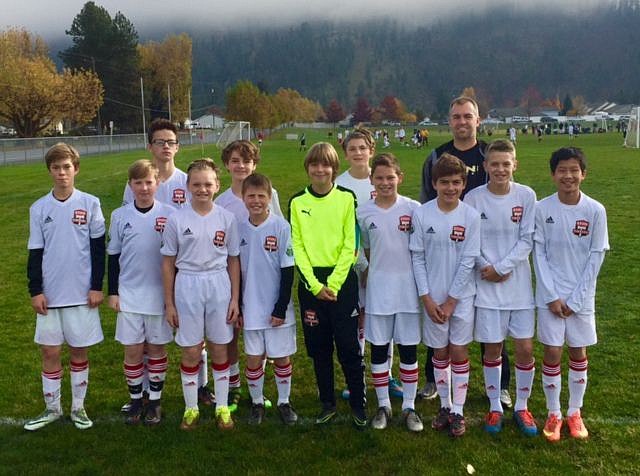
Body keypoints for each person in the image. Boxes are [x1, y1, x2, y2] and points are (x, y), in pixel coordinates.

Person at [418, 96, 512, 407]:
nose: (462, 122)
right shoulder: (436, 155)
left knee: (492, 321)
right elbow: (426, 201)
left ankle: (501, 384)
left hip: (487, 255)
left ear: (478, 119)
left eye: (467, 116)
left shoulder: (489, 154)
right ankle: (434, 380)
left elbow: (503, 201)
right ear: (450, 121)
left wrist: (496, 259)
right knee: (439, 321)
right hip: (446, 246)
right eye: (456, 117)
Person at [122, 119, 215, 410]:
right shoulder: (140, 179)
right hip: (146, 269)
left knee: (194, 333)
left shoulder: (185, 182)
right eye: (160, 142)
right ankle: (148, 393)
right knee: (150, 336)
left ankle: (201, 386)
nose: (166, 147)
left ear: (178, 146)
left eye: (171, 142)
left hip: (184, 268)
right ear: (150, 146)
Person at [24, 143, 105, 431]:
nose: (61, 173)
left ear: (76, 169)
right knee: (49, 352)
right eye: (56, 168)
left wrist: (97, 287)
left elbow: (98, 251)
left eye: (66, 167)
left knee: (79, 353)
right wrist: (36, 290)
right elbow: (35, 252)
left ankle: (78, 408)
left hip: (82, 294)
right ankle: (52, 409)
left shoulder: (90, 203)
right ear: (49, 171)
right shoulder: (39, 208)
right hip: (50, 293)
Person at [289, 142, 367, 427]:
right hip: (311, 287)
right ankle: (327, 403)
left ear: (334, 169)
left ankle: (358, 404)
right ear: (308, 167)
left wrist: (333, 283)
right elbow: (297, 247)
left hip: (342, 283)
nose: (320, 170)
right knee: (320, 350)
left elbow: (351, 245)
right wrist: (314, 285)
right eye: (315, 164)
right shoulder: (298, 202)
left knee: (348, 347)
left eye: (326, 165)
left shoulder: (346, 198)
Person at [533, 147, 609, 442]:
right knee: (552, 351)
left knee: (578, 350)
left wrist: (576, 299)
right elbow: (538, 253)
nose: (568, 175)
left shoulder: (595, 210)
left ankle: (574, 412)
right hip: (549, 296)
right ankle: (554, 413)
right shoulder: (542, 208)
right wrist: (551, 295)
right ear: (553, 175)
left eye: (574, 170)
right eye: (562, 170)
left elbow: (596, 257)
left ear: (583, 174)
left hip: (582, 296)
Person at [463, 140, 538, 436]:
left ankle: (521, 406)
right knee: (493, 348)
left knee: (525, 347)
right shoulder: (473, 198)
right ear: (485, 167)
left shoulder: (527, 196)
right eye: (494, 164)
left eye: (506, 163)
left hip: (518, 287)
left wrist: (502, 268)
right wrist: (487, 267)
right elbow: (471, 241)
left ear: (515, 165)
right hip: (486, 285)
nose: (500, 169)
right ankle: (495, 406)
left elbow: (527, 239)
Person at [161, 158, 240, 430]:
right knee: (191, 350)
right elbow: (168, 263)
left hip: (219, 285)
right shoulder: (176, 218)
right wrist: (169, 303)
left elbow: (233, 260)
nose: (202, 189)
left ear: (217, 185)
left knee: (220, 348)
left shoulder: (227, 218)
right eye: (197, 184)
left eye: (208, 184)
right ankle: (191, 407)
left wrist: (234, 299)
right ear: (188, 186)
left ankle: (221, 407)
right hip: (188, 285)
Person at [410, 154, 480, 438]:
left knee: (459, 350)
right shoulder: (422, 213)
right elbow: (417, 258)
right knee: (439, 352)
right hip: (432, 299)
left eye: (455, 182)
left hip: (461, 298)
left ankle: (459, 410)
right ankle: (445, 405)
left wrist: (452, 300)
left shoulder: (471, 216)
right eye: (444, 182)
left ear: (463, 184)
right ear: (434, 183)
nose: (450, 188)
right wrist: (427, 298)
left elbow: (469, 260)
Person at [215, 139, 283, 410]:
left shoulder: (269, 193)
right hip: (229, 276)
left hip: (261, 276)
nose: (240, 165)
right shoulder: (221, 201)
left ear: (254, 164)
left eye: (246, 160)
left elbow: (277, 230)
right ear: (226, 165)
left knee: (260, 331)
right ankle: (232, 387)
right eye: (235, 160)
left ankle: (258, 387)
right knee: (229, 334)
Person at [336, 128, 403, 401]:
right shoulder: (340, 184)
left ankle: (386, 375)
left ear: (371, 150)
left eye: (362, 147)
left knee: (384, 317)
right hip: (355, 265)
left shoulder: (382, 179)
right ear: (345, 153)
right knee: (359, 322)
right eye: (352, 148)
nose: (357, 153)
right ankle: (357, 378)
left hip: (385, 265)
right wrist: (363, 266)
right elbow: (346, 232)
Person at [358, 153, 422, 432]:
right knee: (379, 348)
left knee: (408, 349)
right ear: (372, 180)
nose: (385, 182)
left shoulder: (414, 209)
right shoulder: (363, 212)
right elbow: (366, 248)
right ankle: (383, 404)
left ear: (400, 177)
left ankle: (409, 406)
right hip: (379, 290)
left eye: (390, 177)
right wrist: (368, 272)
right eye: (380, 178)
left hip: (408, 290)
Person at [107, 160, 174, 426]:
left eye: (149, 182)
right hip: (129, 295)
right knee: (133, 350)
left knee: (156, 349)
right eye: (138, 183)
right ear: (130, 185)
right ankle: (136, 400)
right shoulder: (119, 216)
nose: (144, 188)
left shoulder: (169, 214)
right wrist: (113, 292)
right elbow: (113, 256)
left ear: (157, 183)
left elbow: (174, 259)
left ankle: (155, 401)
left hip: (159, 295)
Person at [238, 173, 298, 426]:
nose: (256, 201)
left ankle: (284, 401)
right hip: (249, 307)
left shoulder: (282, 227)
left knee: (281, 357)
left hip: (277, 309)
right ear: (243, 198)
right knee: (254, 358)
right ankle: (257, 402)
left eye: (261, 196)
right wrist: (237, 305)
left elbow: (288, 271)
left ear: (269, 197)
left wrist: (280, 308)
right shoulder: (238, 228)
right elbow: (234, 270)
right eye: (251, 196)